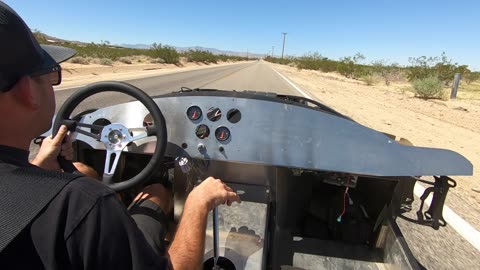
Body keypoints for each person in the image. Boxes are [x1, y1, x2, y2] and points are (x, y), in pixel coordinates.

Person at [0, 2, 240, 269]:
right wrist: (197, 203)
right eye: (51, 76)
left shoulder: (71, 195)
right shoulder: (82, 205)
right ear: (28, 92)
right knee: (156, 192)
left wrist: (36, 169)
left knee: (82, 168)